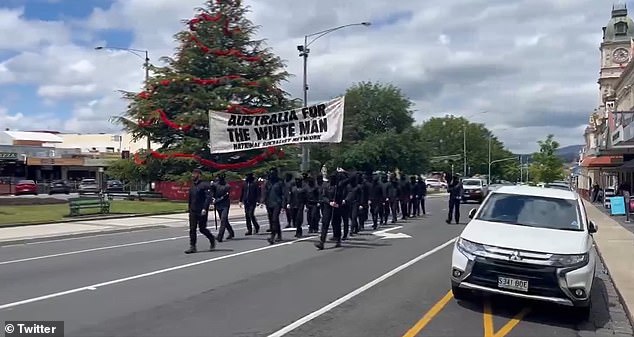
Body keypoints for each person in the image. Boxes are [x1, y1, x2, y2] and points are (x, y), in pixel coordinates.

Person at [185, 168, 215, 254]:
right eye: (192, 174)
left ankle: (211, 238)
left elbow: (208, 198)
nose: (192, 175)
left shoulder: (204, 185)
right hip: (193, 210)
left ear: (199, 175)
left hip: (201, 210)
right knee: (192, 229)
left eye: (194, 174)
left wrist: (205, 208)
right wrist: (189, 208)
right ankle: (192, 246)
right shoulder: (192, 186)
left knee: (202, 229)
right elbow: (190, 198)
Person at [315, 172, 345, 250]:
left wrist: (343, 172)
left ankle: (338, 239)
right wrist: (329, 202)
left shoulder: (339, 186)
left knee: (336, 224)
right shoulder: (326, 186)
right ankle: (322, 242)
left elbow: (341, 196)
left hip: (336, 207)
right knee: (325, 224)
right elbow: (323, 197)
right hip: (327, 207)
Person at [263, 168, 285, 244]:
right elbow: (265, 192)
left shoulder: (280, 182)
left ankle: (272, 236)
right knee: (272, 220)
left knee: (274, 219)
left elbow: (284, 194)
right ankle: (279, 234)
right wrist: (262, 201)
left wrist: (283, 205)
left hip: (277, 203)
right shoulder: (268, 182)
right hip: (269, 203)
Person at [212, 172, 234, 241]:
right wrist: (213, 199)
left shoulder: (227, 186)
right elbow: (212, 193)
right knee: (225, 221)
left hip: (225, 205)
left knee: (223, 220)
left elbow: (225, 196)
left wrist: (216, 200)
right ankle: (231, 232)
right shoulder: (215, 185)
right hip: (218, 205)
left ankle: (220, 236)